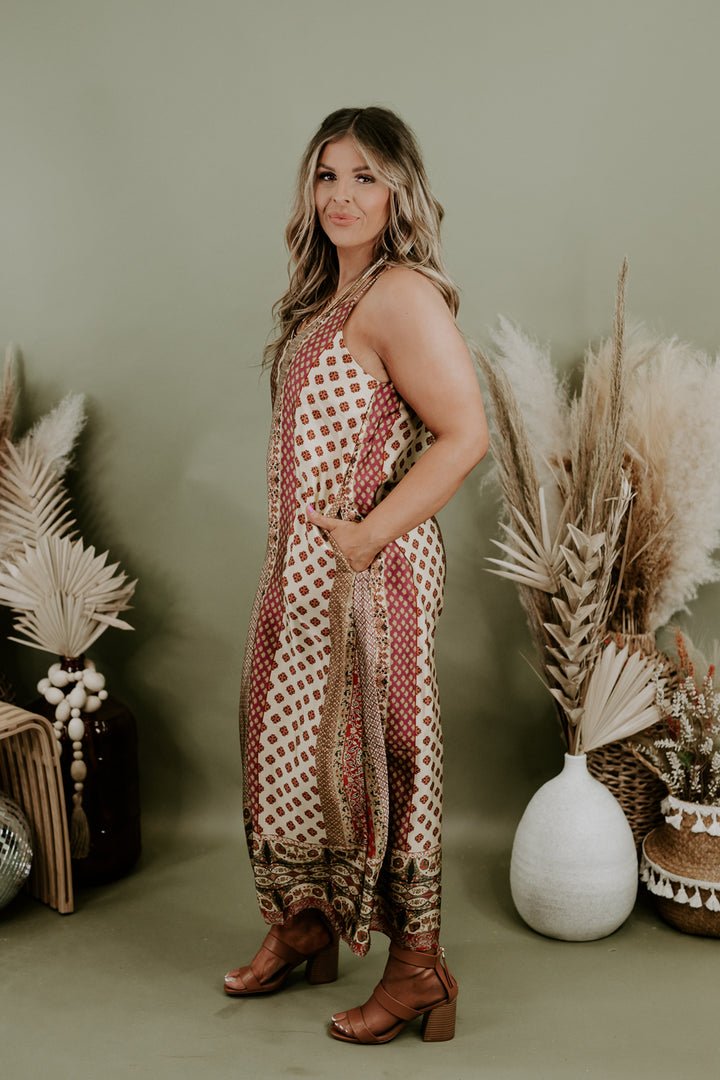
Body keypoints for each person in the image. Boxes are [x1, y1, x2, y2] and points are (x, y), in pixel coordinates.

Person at [225, 106, 488, 1045]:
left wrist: (369, 536)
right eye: (327, 174)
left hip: (376, 575)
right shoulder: (325, 298)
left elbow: (466, 435)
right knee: (296, 751)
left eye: (365, 176)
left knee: (393, 758)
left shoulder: (401, 293)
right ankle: (306, 923)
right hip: (304, 578)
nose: (342, 194)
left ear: (399, 192)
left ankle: (419, 970)